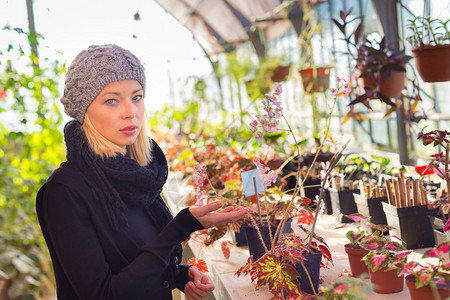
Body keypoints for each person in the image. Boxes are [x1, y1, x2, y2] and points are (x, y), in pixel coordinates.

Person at [36, 44, 250, 300]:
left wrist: (180, 275)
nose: (130, 112)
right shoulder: (64, 192)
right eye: (112, 100)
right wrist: (180, 226)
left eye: (136, 97)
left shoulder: (138, 176)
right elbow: (104, 294)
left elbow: (134, 263)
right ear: (84, 111)